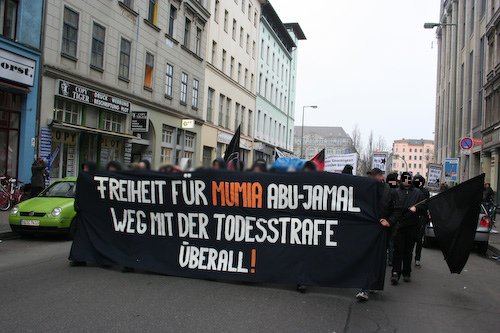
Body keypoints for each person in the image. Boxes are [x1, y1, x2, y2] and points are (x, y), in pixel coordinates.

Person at [355, 168, 401, 301]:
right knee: (368, 259)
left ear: (381, 177)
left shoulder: (391, 192)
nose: (371, 181)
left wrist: (389, 221)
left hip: (382, 232)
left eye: (373, 177)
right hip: (367, 231)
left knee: (378, 259)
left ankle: (372, 284)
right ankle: (364, 288)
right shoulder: (366, 190)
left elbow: (398, 211)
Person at [391, 172, 427, 285]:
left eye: (408, 179)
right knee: (398, 251)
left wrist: (417, 209)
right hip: (399, 226)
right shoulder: (396, 192)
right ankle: (395, 273)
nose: (406, 181)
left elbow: (424, 207)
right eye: (404, 179)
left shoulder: (418, 193)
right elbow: (391, 207)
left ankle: (407, 273)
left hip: (412, 226)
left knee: (408, 251)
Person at [412, 175, 430, 268]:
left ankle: (417, 259)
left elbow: (426, 205)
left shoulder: (425, 191)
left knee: (419, 240)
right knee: (410, 239)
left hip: (421, 218)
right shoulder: (411, 190)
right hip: (411, 217)